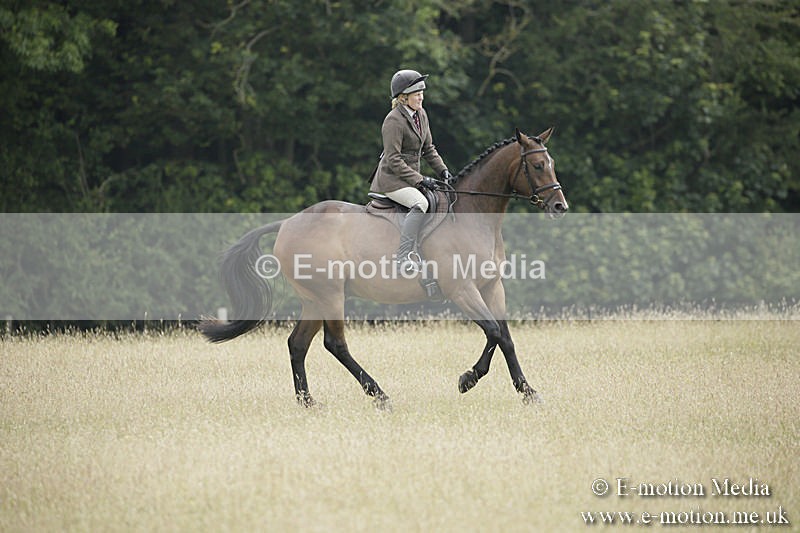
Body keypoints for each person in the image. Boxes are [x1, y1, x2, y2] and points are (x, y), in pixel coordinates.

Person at [370, 69, 453, 273]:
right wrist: (420, 179)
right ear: (403, 97)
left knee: (440, 197)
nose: (421, 97)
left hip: (409, 179)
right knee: (421, 203)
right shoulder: (393, 121)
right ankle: (402, 257)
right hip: (392, 180)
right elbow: (393, 159)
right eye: (417, 94)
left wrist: (443, 171)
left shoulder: (421, 115)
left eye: (422, 93)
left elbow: (428, 149)